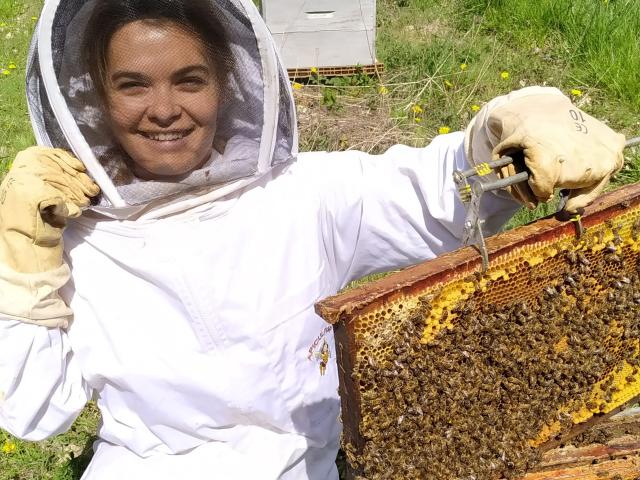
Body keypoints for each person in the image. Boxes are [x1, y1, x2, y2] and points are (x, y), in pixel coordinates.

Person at [0, 0, 625, 478]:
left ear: (228, 83)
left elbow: (429, 193)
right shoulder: (72, 238)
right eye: (132, 84)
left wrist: (498, 135)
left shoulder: (300, 195)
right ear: (95, 99)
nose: (164, 109)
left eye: (189, 80)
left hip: (307, 466)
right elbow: (31, 411)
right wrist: (25, 269)